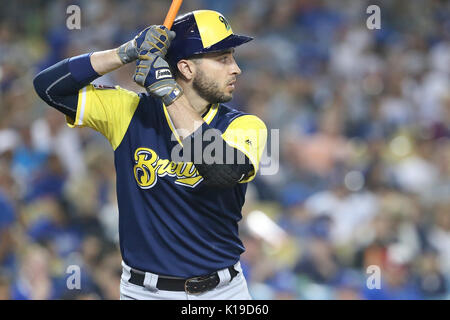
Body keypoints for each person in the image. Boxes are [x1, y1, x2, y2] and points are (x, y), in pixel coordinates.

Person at [33, 9, 267, 300]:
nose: (236, 68)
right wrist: (125, 52)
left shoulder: (243, 125)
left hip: (222, 292)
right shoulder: (130, 112)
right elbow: (49, 87)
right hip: (143, 292)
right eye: (223, 58)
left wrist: (169, 93)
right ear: (186, 68)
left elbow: (222, 170)